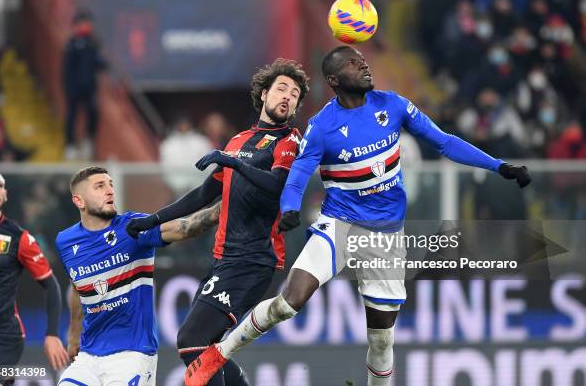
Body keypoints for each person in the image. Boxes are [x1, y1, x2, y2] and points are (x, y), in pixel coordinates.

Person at [185, 46, 532, 386]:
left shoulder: (393, 105)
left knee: (382, 340)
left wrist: (498, 166)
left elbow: (444, 142)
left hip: (385, 235)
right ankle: (218, 353)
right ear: (335, 79)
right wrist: (290, 208)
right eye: (354, 64)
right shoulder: (322, 126)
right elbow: (299, 175)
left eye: (364, 61)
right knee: (291, 300)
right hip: (340, 223)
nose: (364, 67)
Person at [126, 58, 309, 386]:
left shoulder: (290, 142)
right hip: (224, 257)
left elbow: (277, 186)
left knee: (191, 339)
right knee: (205, 347)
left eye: (294, 94)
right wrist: (154, 219)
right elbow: (203, 194)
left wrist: (231, 163)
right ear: (264, 94)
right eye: (281, 89)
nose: (287, 97)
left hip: (254, 259)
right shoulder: (238, 141)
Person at [55, 166, 221, 385]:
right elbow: (77, 287)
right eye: (100, 186)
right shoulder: (65, 241)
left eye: (111, 184)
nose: (110, 191)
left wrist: (224, 207)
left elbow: (187, 227)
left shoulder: (133, 228)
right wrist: (74, 334)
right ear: (79, 201)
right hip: (88, 355)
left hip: (132, 354)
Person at [0, 169, 68, 386]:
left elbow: (51, 285)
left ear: (6, 195)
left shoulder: (19, 238)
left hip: (1, 337)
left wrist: (52, 334)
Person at [62, 11, 106, 161]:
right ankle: (70, 145)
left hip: (90, 87)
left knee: (93, 113)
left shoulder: (93, 43)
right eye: (83, 23)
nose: (87, 26)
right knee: (72, 117)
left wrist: (104, 65)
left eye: (88, 23)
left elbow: (96, 63)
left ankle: (88, 141)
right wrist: (68, 88)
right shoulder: (72, 44)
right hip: (74, 88)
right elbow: (67, 69)